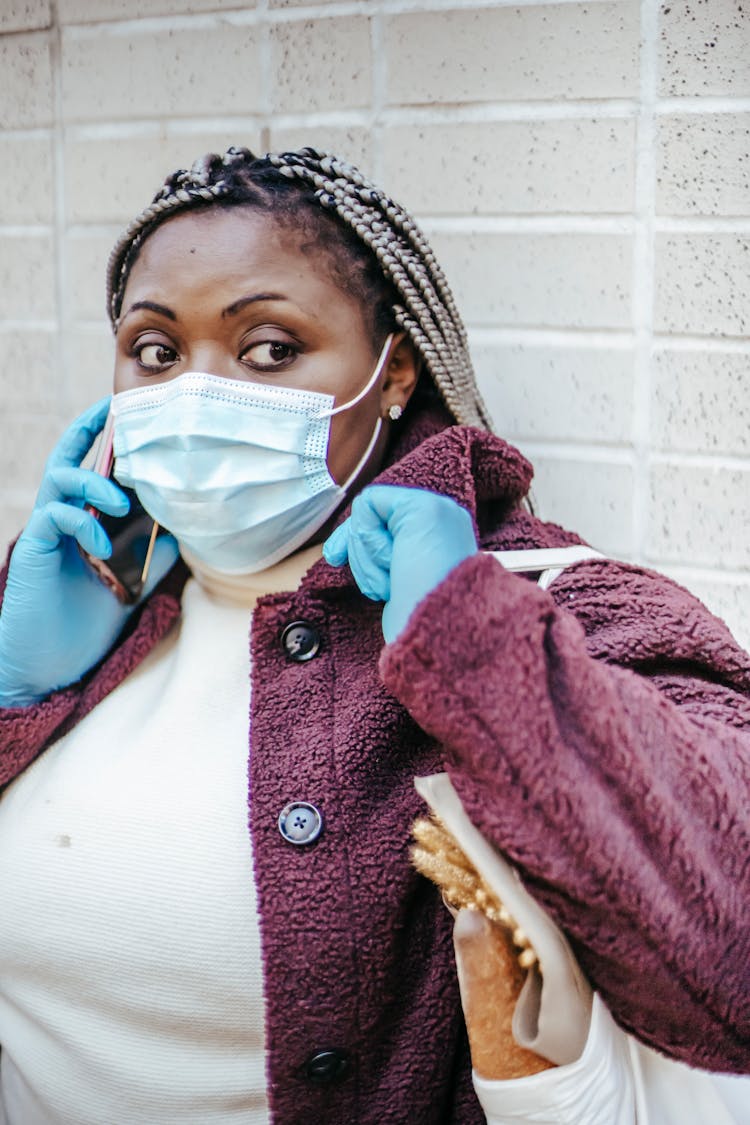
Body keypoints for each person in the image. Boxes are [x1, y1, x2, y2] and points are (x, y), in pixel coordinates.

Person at [0, 146, 747, 1125]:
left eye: (270, 348)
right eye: (155, 351)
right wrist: (13, 696)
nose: (197, 392)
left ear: (391, 374)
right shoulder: (66, 599)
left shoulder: (557, 603)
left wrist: (475, 644)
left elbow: (728, 938)